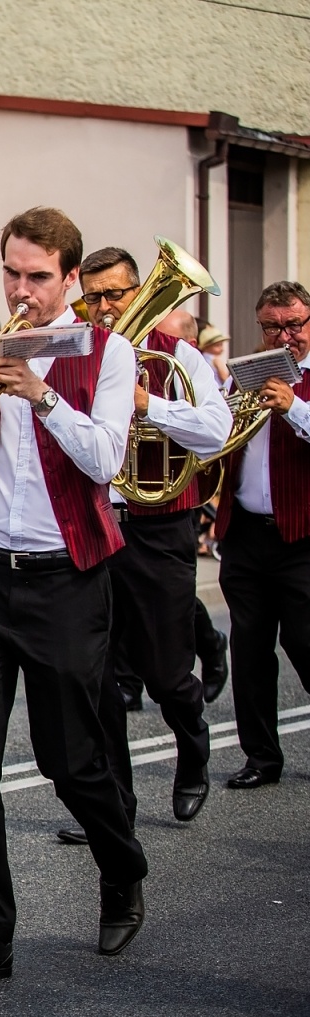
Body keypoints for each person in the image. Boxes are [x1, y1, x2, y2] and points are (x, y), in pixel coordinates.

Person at [0, 207, 147, 987]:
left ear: (71, 279)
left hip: (65, 579)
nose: (22, 290)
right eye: (12, 273)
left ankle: (122, 865)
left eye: (38, 277)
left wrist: (42, 396)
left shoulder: (109, 356)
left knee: (71, 762)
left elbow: (107, 460)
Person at [48, 246, 230, 844]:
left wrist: (149, 404)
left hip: (158, 524)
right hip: (93, 523)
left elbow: (216, 431)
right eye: (92, 297)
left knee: (165, 670)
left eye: (114, 295)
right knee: (97, 677)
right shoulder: (73, 354)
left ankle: (193, 749)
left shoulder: (180, 359)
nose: (102, 308)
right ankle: (114, 807)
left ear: (140, 294)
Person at [211, 280, 310, 791]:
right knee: (249, 651)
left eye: (294, 325)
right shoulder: (243, 377)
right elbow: (216, 436)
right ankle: (261, 758)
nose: (284, 335)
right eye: (273, 326)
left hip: (302, 538)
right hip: (246, 534)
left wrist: (293, 405)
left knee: (305, 641)